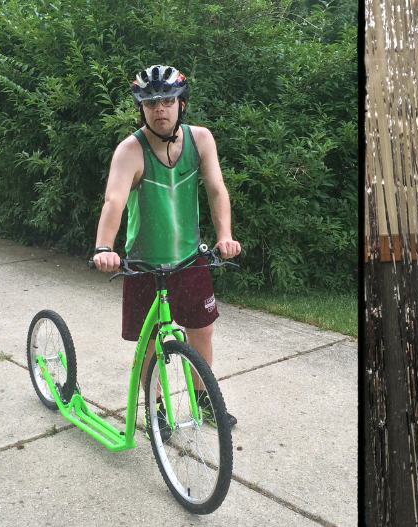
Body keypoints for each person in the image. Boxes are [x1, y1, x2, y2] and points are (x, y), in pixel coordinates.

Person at [91, 65, 241, 438]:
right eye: (152, 103)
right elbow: (114, 201)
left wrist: (225, 235)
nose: (161, 109)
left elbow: (217, 189)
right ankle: (154, 406)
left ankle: (204, 400)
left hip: (190, 258)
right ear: (141, 108)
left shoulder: (201, 139)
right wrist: (104, 247)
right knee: (149, 342)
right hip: (144, 263)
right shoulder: (130, 150)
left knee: (201, 331)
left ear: (181, 104)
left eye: (168, 101)